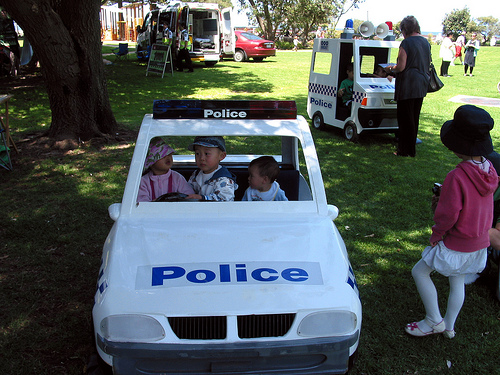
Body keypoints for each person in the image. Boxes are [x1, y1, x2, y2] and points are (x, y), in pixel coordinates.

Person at [405, 105, 498, 338]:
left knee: (420, 272)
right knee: (457, 282)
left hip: (457, 242)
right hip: (478, 244)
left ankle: (433, 320)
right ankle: (449, 326)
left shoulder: (456, 176)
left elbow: (448, 215)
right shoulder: (489, 170)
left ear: (458, 145)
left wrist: (437, 234)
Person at [384, 16, 430, 157]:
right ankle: (411, 149)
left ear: (405, 29)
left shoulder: (406, 42)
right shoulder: (425, 42)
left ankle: (403, 150)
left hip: (408, 85)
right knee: (414, 117)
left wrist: (391, 69)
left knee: (405, 118)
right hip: (421, 83)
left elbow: (401, 66)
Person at [138, 138, 195, 202]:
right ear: (151, 163)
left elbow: (189, 196)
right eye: (163, 156)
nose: (168, 157)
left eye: (169, 154)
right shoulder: (144, 182)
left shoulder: (177, 178)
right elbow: (141, 203)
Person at [186, 136, 238, 201]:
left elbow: (224, 199)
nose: (201, 158)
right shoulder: (196, 174)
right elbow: (188, 189)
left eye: (207, 153)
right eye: (197, 153)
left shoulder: (224, 180)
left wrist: (202, 198)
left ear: (221, 156)